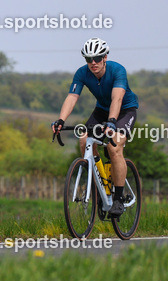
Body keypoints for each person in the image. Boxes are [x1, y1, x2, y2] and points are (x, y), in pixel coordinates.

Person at [51, 37, 138, 216]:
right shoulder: (82, 73)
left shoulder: (117, 70)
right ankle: (101, 184)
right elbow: (72, 97)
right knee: (84, 141)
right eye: (88, 59)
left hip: (124, 110)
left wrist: (112, 122)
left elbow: (117, 98)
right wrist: (60, 120)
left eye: (97, 58)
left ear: (105, 57)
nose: (93, 63)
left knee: (114, 148)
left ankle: (119, 198)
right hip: (101, 110)